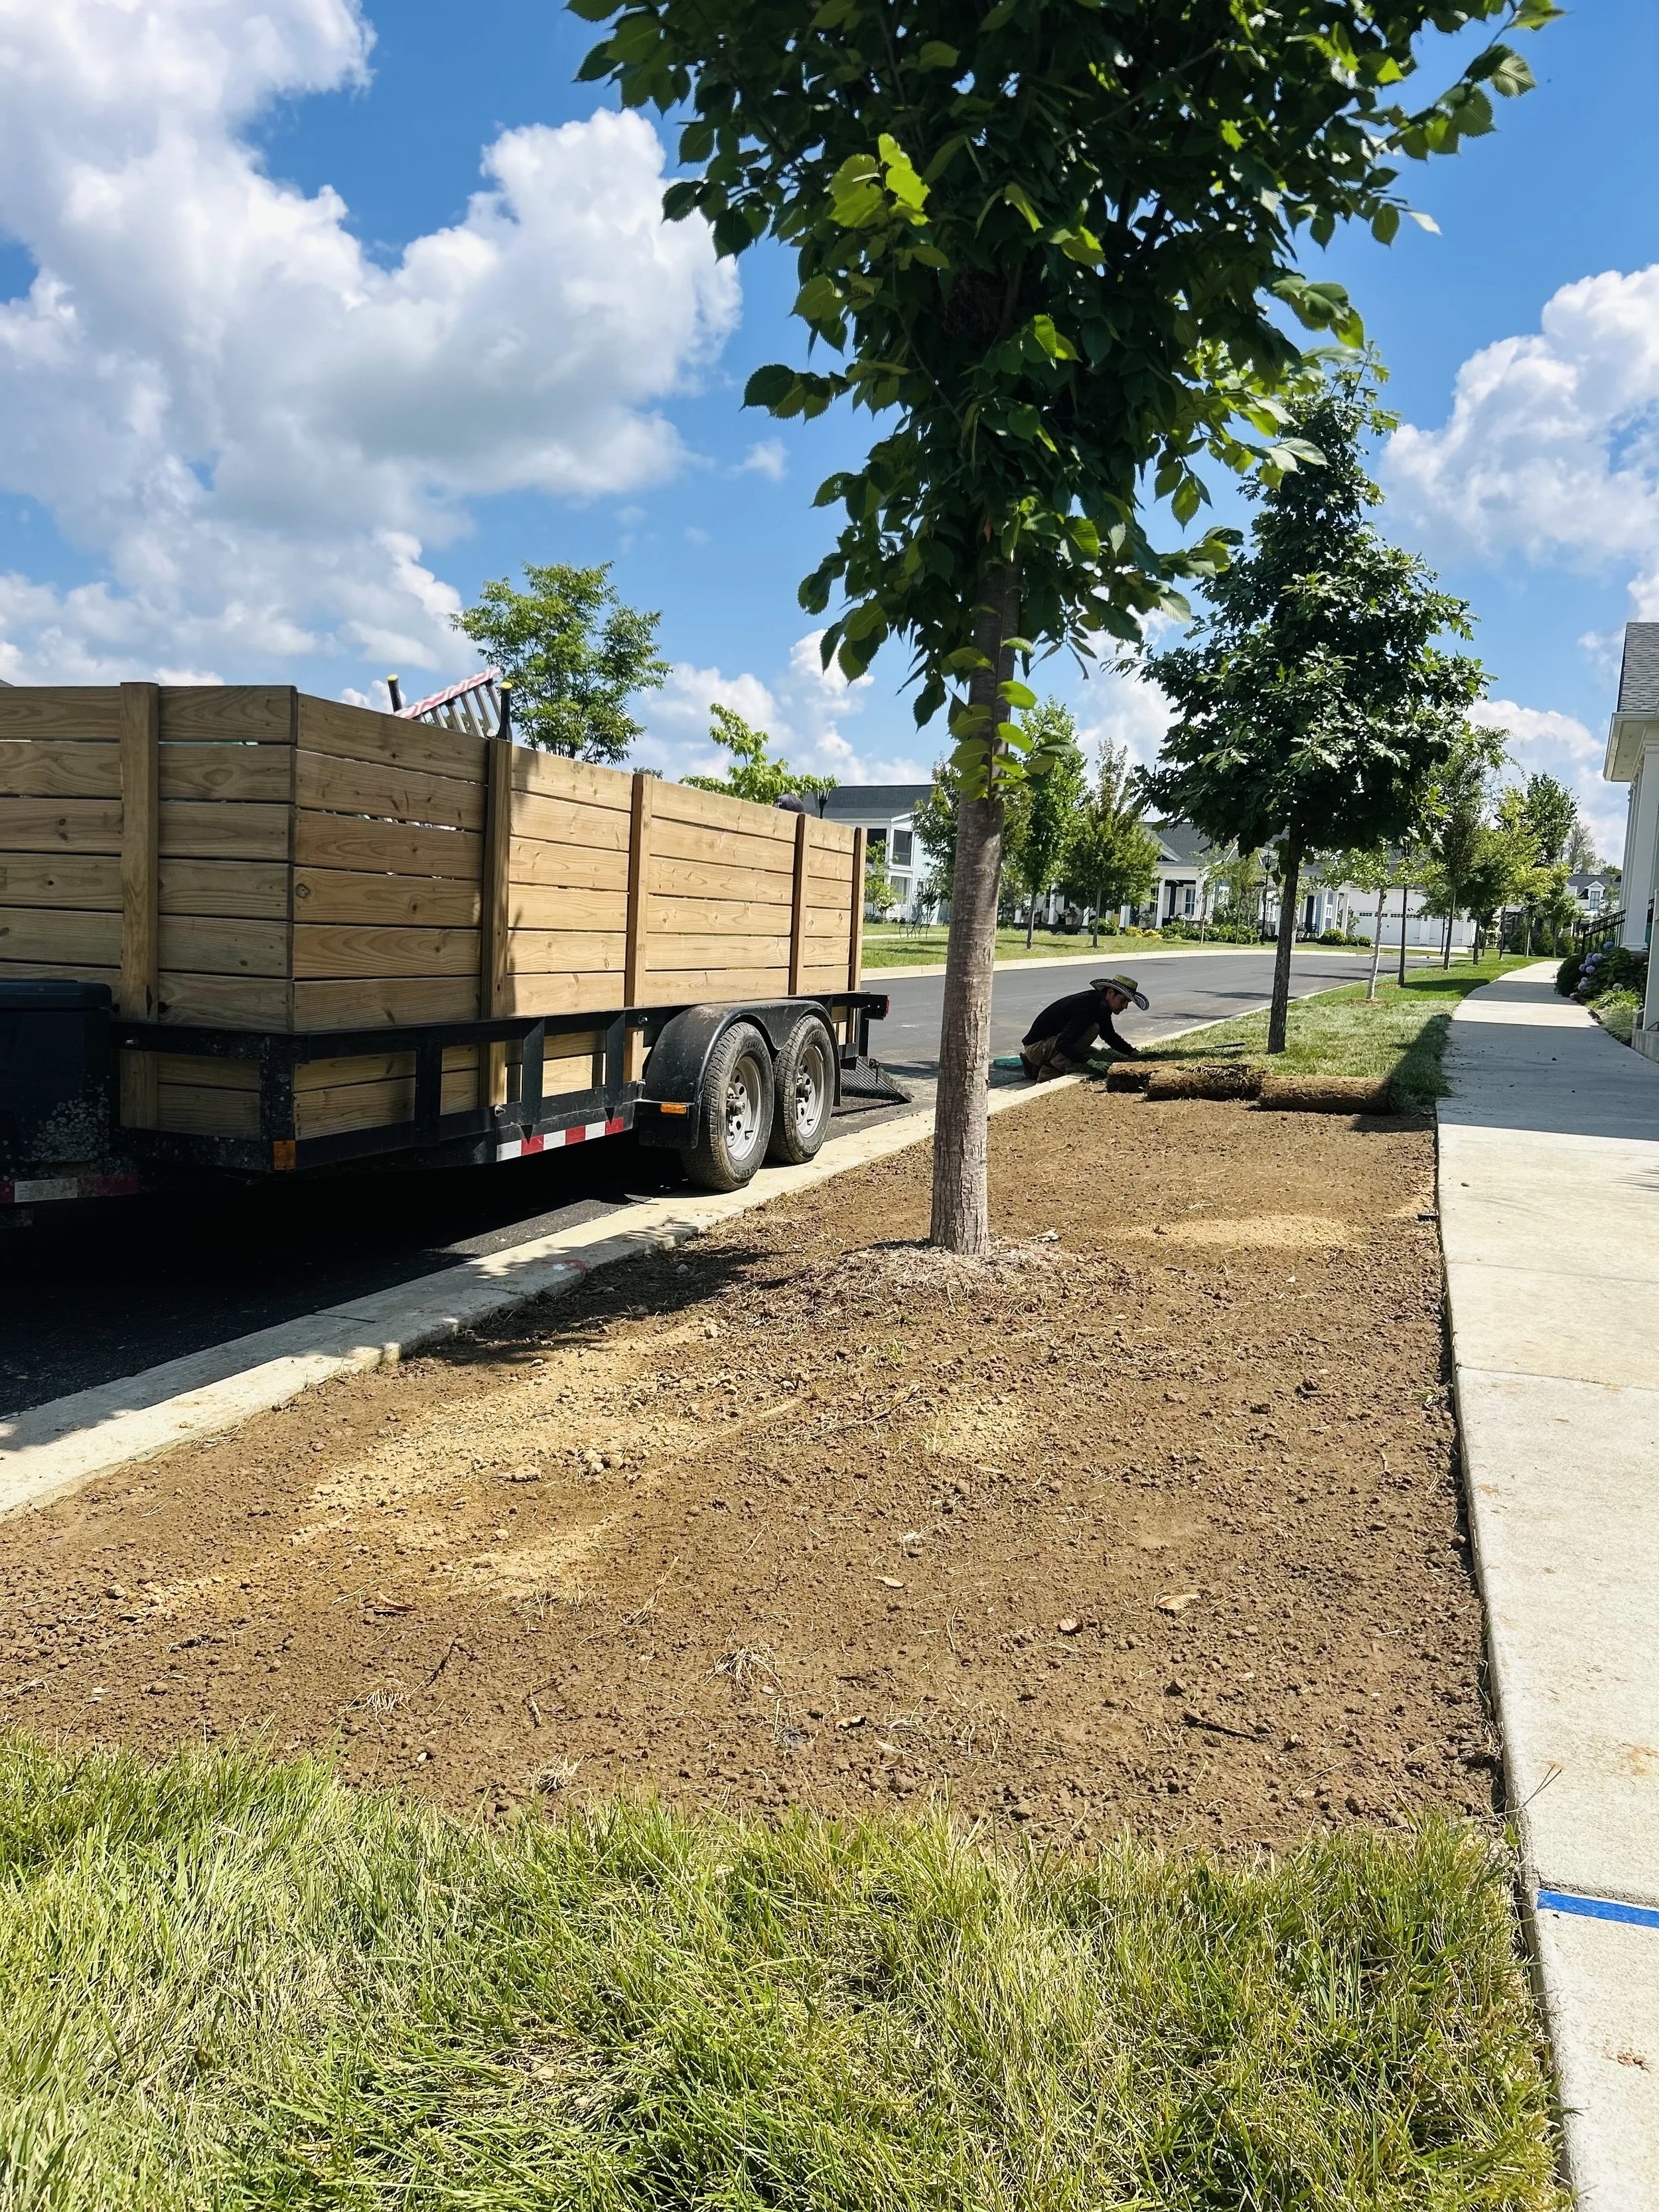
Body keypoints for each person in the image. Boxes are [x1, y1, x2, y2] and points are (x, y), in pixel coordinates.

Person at [1020, 974, 1148, 1081]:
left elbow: (1109, 1035)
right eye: (1123, 1000)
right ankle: (1047, 1074)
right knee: (1091, 1031)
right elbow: (1063, 1043)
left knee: (1091, 1049)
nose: (1125, 1006)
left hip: (1047, 1044)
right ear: (1110, 993)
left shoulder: (1100, 1005)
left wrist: (1133, 1052)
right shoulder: (1086, 1008)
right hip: (1036, 1047)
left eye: (1128, 1003)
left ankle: (1035, 1067)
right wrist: (1090, 1062)